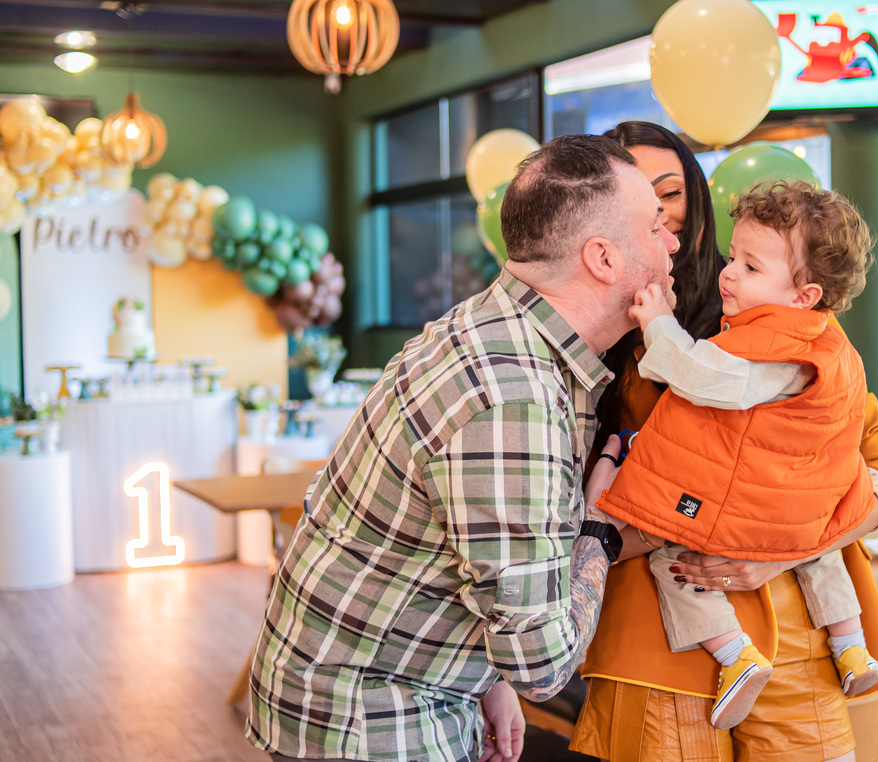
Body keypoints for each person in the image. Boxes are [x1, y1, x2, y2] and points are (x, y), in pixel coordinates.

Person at [243, 134, 679, 762]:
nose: (672, 243)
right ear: (603, 258)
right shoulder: (514, 400)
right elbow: (542, 666)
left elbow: (467, 550)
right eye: (656, 225)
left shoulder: (492, 324)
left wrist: (486, 680)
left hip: (365, 685)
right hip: (369, 720)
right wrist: (600, 531)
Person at [569, 121, 878, 762]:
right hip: (661, 646)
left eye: (669, 192)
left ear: (695, 204)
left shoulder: (798, 330)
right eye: (634, 194)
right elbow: (566, 515)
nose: (657, 212)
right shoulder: (591, 342)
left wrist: (782, 544)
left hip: (803, 638)